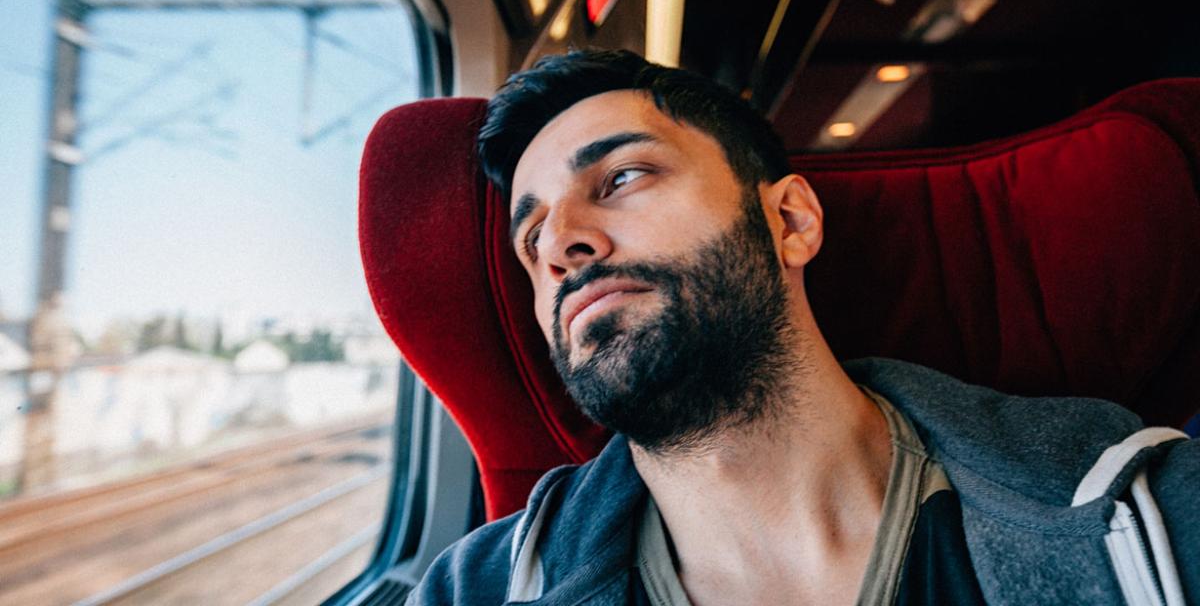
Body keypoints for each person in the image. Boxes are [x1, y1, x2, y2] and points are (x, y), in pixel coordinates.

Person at [406, 49, 1198, 605]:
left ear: (790, 220)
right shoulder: (471, 589)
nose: (560, 247)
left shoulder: (1149, 517)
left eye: (621, 177)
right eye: (529, 237)